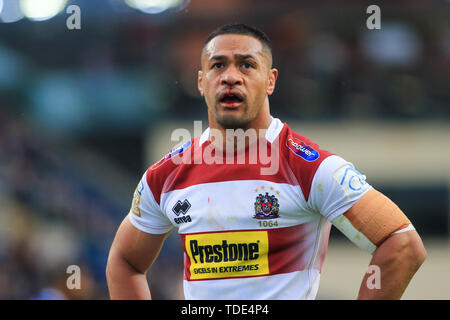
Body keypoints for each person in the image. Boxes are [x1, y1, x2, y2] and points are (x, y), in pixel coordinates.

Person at [106, 23, 426, 300]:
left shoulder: (311, 169)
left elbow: (402, 245)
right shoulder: (164, 177)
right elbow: (125, 262)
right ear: (201, 82)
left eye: (246, 65)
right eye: (218, 66)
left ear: (270, 80)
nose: (231, 77)